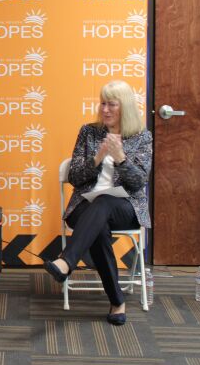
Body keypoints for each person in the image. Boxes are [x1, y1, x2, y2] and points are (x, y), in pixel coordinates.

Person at [43, 80, 152, 326]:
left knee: (104, 201)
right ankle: (117, 301)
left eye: (111, 104)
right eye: (102, 103)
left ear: (125, 107)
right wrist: (99, 157)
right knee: (98, 225)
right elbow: (75, 177)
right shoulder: (89, 132)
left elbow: (138, 183)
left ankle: (66, 261)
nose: (105, 109)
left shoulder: (142, 137)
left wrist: (120, 158)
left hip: (126, 208)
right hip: (84, 206)